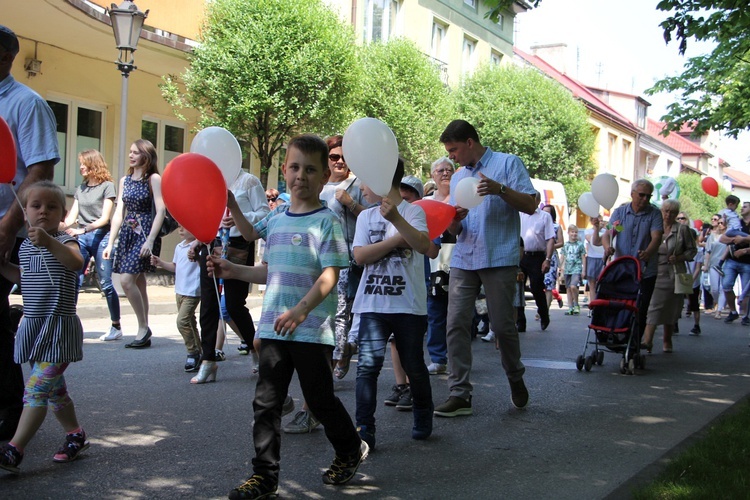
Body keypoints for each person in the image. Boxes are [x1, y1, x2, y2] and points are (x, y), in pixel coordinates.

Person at [209, 134, 367, 499]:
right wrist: (231, 267)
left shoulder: (327, 222)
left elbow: (330, 275)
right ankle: (264, 477)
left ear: (325, 176)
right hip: (275, 327)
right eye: (295, 167)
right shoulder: (277, 216)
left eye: (311, 170)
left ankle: (349, 448)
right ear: (284, 171)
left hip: (311, 327)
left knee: (320, 399)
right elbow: (258, 251)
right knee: (266, 403)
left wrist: (301, 310)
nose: (302, 176)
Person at [434, 119, 536, 418]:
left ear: (469, 142)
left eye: (454, 150)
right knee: (454, 324)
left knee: (503, 327)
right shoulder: (457, 178)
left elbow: (531, 205)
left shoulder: (508, 163)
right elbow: (454, 227)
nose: (451, 157)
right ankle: (459, 394)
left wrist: (499, 189)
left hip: (499, 256)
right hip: (465, 257)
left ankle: (515, 376)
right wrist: (454, 219)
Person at [0, 181, 87, 474]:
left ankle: (14, 449)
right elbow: (24, 279)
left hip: (59, 331)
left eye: (51, 207)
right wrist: (3, 266)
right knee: (54, 392)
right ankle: (75, 434)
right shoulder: (25, 246)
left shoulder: (64, 240)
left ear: (62, 213)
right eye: (36, 206)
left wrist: (50, 242)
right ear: (25, 212)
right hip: (36, 330)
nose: (43, 212)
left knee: (36, 390)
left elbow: (76, 263)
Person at [0, 25, 59, 441]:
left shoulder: (26, 103)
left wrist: (8, 226)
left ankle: (9, 411)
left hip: (6, 227)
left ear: (5, 56)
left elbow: (39, 171)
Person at [352, 159, 433, 450]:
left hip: (408, 306)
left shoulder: (414, 212)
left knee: (413, 364)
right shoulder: (365, 218)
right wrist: (395, 241)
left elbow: (423, 246)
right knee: (367, 367)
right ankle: (364, 429)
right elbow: (360, 256)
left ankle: (424, 416)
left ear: (381, 180)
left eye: (365, 179)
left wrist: (398, 222)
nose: (361, 186)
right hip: (372, 304)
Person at [192, 170, 269, 384]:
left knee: (234, 305)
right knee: (208, 304)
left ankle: (254, 348)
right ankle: (208, 360)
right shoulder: (208, 180)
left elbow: (264, 213)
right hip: (211, 243)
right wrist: (196, 241)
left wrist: (237, 218)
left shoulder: (248, 181)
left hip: (238, 244)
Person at [102, 139, 165, 349]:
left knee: (127, 280)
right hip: (129, 233)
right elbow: (119, 212)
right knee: (138, 282)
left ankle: (142, 327)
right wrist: (111, 242)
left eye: (135, 152)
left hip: (146, 232)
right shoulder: (125, 180)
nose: (131, 155)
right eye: (130, 152)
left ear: (146, 155)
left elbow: (161, 210)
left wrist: (150, 239)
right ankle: (144, 328)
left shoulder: (154, 178)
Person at [319, 135, 368, 383]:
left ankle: (339, 356)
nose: (339, 161)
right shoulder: (319, 185)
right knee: (322, 311)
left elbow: (371, 220)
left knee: (340, 312)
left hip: (345, 257)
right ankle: (338, 350)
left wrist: (350, 204)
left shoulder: (357, 185)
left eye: (344, 157)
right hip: (317, 257)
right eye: (334, 157)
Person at [62, 149, 121, 341]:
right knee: (75, 279)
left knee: (106, 283)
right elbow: (71, 217)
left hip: (101, 236)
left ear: (93, 164)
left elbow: (105, 219)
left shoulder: (107, 186)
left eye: (83, 163)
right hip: (83, 238)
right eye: (79, 163)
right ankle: (69, 323)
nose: (80, 167)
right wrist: (55, 225)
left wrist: (82, 230)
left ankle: (116, 325)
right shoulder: (81, 188)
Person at [595, 179, 663, 341]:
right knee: (620, 303)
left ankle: (634, 344)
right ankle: (616, 334)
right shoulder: (620, 213)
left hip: (646, 270)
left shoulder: (654, 214)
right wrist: (607, 247)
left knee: (640, 308)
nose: (645, 199)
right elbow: (609, 234)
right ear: (632, 194)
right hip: (623, 270)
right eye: (641, 195)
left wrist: (648, 252)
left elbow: (656, 237)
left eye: (648, 196)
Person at [640, 199, 697, 353]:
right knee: (653, 307)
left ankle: (667, 340)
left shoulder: (682, 230)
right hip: (653, 272)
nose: (668, 214)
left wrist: (679, 257)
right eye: (666, 211)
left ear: (676, 214)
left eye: (672, 212)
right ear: (661, 211)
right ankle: (647, 341)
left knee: (671, 309)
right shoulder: (654, 226)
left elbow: (692, 251)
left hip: (673, 274)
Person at [151, 226, 202, 372]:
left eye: (185, 227)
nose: (180, 230)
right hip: (180, 290)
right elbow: (175, 267)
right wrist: (160, 262)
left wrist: (196, 252)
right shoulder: (179, 247)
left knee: (182, 321)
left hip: (193, 290)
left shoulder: (199, 247)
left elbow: (202, 265)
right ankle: (200, 351)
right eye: (179, 227)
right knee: (190, 321)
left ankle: (192, 352)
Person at [424, 157, 456, 374]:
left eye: (449, 170)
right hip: (434, 262)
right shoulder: (427, 202)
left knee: (458, 313)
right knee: (435, 311)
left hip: (460, 260)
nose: (445, 173)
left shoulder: (462, 198)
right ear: (432, 175)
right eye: (440, 170)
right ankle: (438, 358)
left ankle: (458, 357)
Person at [518, 192, 555, 332]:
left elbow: (550, 238)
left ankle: (544, 315)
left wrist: (548, 259)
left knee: (536, 287)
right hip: (521, 255)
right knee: (518, 289)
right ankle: (520, 321)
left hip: (537, 256)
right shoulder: (520, 215)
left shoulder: (544, 216)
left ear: (538, 201)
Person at [718, 201, 750, 325]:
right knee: (726, 286)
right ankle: (733, 312)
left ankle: (746, 316)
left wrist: (744, 246)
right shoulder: (737, 223)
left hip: (748, 263)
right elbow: (722, 238)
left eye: (745, 206)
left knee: (746, 291)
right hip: (731, 261)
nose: (741, 208)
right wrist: (735, 239)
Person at [541, 204, 564, 314]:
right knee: (539, 284)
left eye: (548, 212)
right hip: (538, 256)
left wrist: (550, 246)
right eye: (543, 211)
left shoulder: (556, 226)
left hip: (551, 258)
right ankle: (542, 308)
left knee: (549, 285)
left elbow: (561, 242)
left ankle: (545, 311)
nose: (545, 214)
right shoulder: (539, 224)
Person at [703, 216, 727, 319]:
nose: (720, 224)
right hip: (713, 264)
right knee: (714, 289)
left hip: (726, 264)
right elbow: (708, 252)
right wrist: (706, 265)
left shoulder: (729, 236)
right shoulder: (712, 236)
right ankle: (718, 302)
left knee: (723, 288)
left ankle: (719, 310)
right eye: (719, 222)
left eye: (722, 223)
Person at [713, 194, 744, 276]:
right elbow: (723, 220)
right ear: (730, 204)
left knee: (728, 246)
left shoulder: (729, 212)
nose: (737, 207)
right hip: (733, 230)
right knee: (746, 236)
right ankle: (733, 248)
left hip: (733, 230)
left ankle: (720, 263)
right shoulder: (727, 212)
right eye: (736, 205)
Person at [560, 225, 585, 315]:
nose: (574, 234)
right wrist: (560, 268)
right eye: (572, 232)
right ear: (568, 233)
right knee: (568, 288)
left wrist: (583, 270)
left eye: (575, 232)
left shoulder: (580, 245)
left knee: (573, 286)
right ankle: (570, 307)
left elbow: (583, 257)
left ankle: (576, 304)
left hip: (577, 268)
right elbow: (562, 257)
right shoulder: (565, 245)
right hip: (567, 269)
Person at [584, 215, 606, 308]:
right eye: (597, 221)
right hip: (592, 258)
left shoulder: (606, 231)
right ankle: (593, 305)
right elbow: (591, 240)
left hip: (602, 258)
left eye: (601, 220)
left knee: (602, 283)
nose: (600, 222)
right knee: (592, 283)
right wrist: (597, 229)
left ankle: (601, 304)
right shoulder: (588, 231)